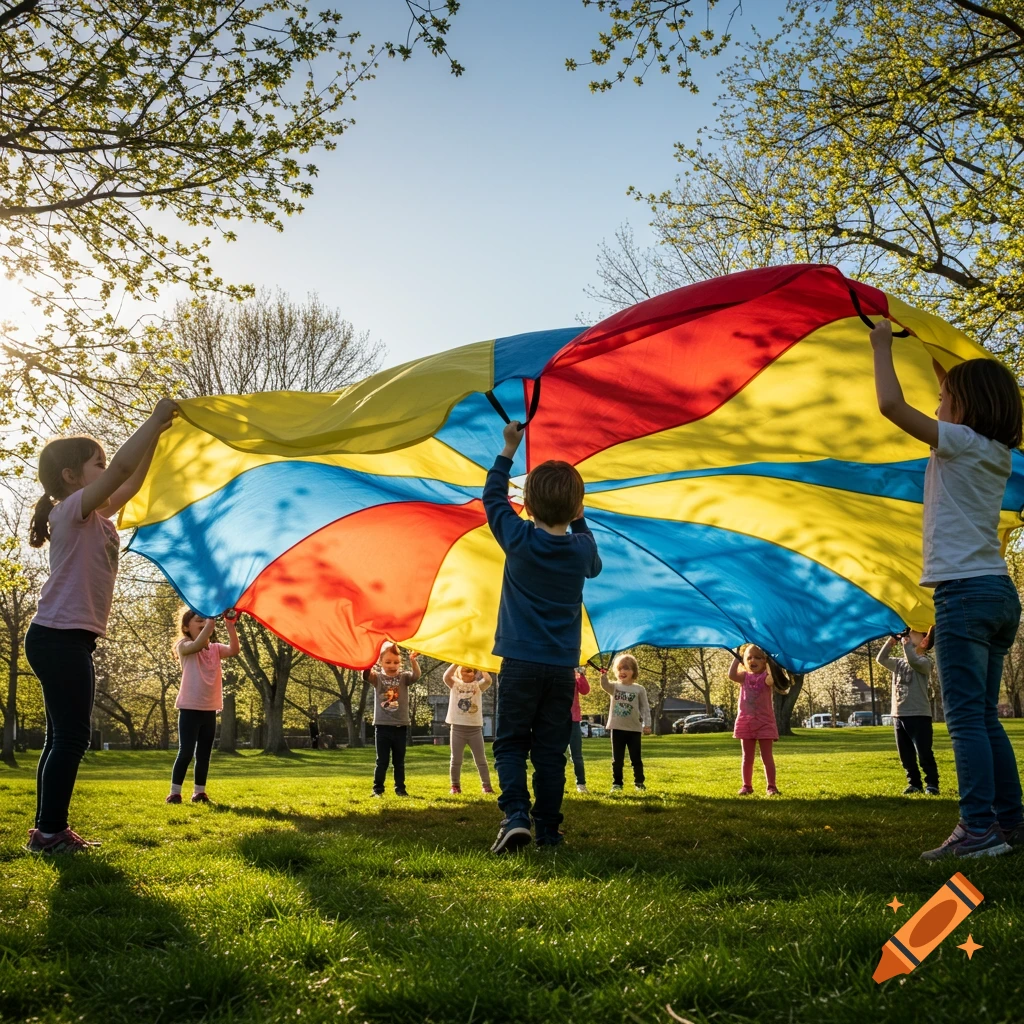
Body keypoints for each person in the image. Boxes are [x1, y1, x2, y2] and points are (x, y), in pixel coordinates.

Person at [872, 318, 1023, 859]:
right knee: (983, 715)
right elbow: (960, 389)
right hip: (998, 595)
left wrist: (882, 345)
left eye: (942, 397)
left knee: (965, 719)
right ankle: (1011, 823)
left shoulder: (957, 442)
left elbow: (891, 407)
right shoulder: (996, 451)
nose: (936, 404)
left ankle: (978, 829)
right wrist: (932, 350)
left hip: (962, 594)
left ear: (965, 408)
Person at [25, 399, 178, 853]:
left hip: (64, 638)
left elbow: (130, 479)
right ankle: (51, 833)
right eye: (98, 463)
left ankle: (45, 831)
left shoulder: (94, 514)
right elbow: (122, 472)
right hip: (59, 637)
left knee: (60, 737)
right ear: (72, 477)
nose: (106, 468)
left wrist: (159, 434)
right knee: (71, 737)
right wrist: (150, 419)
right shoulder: (72, 509)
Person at [484, 421, 602, 852]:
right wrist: (579, 518)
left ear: (527, 507)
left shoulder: (517, 538)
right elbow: (593, 560)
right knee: (551, 752)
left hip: (518, 664)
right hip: (560, 670)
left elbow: (493, 499)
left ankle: (516, 815)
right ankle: (549, 830)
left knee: (511, 744)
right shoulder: (582, 550)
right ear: (576, 510)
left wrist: (508, 450)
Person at [166, 608, 240, 804]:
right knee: (186, 751)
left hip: (209, 708)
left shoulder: (215, 648)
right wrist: (212, 620)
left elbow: (234, 649)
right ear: (185, 627)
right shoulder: (184, 645)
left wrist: (230, 625)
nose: (203, 622)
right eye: (198, 620)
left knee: (204, 754)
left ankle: (199, 792)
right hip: (189, 707)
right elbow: (199, 644)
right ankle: (174, 793)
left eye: (204, 620)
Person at [877, 628, 940, 796]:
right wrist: (892, 640)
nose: (909, 635)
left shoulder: (926, 662)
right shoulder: (899, 663)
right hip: (899, 714)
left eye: (913, 634)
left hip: (919, 715)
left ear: (924, 641)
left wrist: (905, 644)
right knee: (906, 755)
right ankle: (914, 784)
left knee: (924, 752)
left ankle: (932, 784)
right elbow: (880, 659)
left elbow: (913, 660)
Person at [366, 644, 420, 797]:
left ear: (400, 663)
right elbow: (366, 675)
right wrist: (367, 660)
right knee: (382, 761)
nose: (392, 665)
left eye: (396, 662)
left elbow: (416, 676)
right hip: (382, 727)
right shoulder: (378, 678)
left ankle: (400, 789)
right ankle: (377, 789)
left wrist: (413, 660)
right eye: (388, 662)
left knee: (399, 762)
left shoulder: (403, 677)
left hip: (400, 726)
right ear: (380, 662)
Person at [729, 644, 780, 796]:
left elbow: (772, 680)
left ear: (765, 661)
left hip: (765, 722)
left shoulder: (767, 678)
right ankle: (747, 786)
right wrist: (737, 657)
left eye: (758, 657)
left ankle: (771, 787)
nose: (753, 660)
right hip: (746, 722)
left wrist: (771, 662)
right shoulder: (744, 677)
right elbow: (732, 675)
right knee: (747, 757)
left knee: (767, 757)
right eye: (749, 657)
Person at [600, 655, 651, 792]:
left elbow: (644, 707)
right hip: (617, 728)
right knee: (617, 760)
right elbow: (605, 685)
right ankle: (617, 784)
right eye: (620, 668)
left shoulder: (639, 689)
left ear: (634, 671)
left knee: (636, 759)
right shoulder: (614, 687)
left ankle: (639, 783)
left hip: (634, 729)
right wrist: (603, 676)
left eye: (626, 668)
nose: (622, 671)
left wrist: (647, 724)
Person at [443, 664, 494, 795]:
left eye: (473, 671)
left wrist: (481, 666)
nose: (471, 674)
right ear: (460, 672)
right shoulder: (455, 684)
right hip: (457, 728)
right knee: (456, 760)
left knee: (481, 759)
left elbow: (488, 681)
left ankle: (486, 786)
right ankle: (455, 786)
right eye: (467, 670)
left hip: (475, 729)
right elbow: (446, 676)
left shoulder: (477, 686)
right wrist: (455, 662)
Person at [568, 667, 591, 794]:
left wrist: (581, 674)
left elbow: (585, 690)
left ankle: (581, 783)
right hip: (556, 720)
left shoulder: (575, 675)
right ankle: (556, 782)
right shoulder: (554, 673)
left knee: (576, 755)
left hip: (573, 720)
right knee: (555, 754)